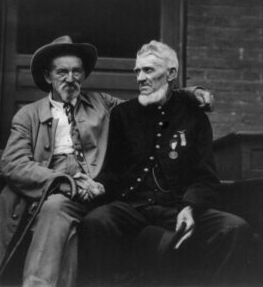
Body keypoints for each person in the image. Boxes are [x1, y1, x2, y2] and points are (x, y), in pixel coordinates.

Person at [0, 36, 213, 287]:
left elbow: (151, 98)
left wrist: (193, 93)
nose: (70, 78)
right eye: (62, 72)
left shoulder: (102, 103)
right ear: (48, 76)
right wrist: (63, 181)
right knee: (55, 208)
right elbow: (14, 164)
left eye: (76, 71)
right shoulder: (28, 115)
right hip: (55, 188)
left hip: (98, 187)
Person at [79, 40, 254, 286]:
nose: (140, 78)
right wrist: (97, 185)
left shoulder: (194, 116)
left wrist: (189, 207)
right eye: (137, 71)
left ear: (171, 73)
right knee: (96, 222)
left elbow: (205, 177)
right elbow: (114, 171)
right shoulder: (123, 114)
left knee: (235, 228)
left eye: (148, 70)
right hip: (133, 206)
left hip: (177, 207)